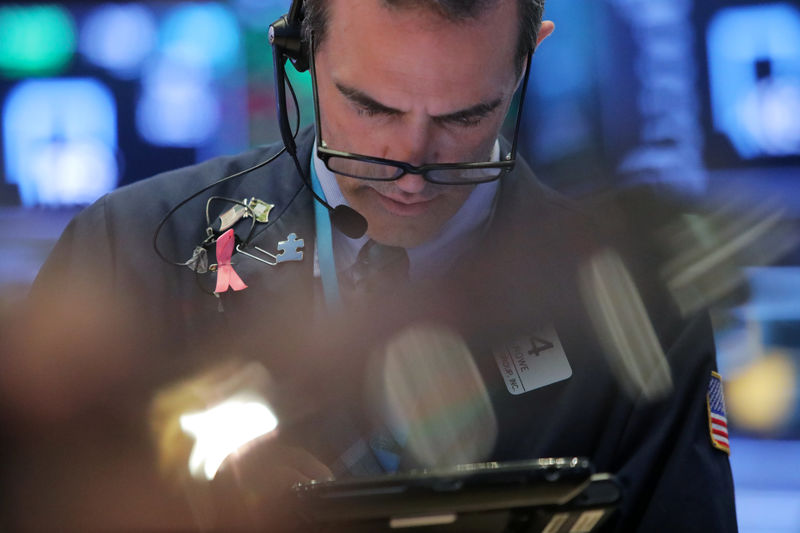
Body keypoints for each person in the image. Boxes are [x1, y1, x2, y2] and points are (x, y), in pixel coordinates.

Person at [12, 0, 737, 531]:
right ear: (299, 48)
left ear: (529, 58)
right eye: (371, 107)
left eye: (464, 117)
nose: (411, 167)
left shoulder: (636, 305)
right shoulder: (133, 252)